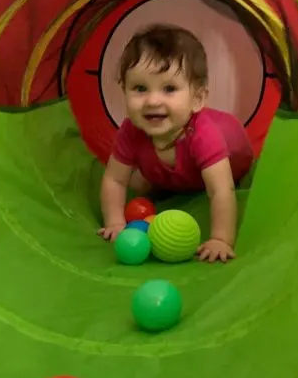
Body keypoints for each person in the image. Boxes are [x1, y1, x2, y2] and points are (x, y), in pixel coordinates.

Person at [98, 24, 254, 263]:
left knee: (212, 183)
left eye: (169, 88)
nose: (152, 100)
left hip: (229, 164)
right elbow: (114, 179)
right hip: (177, 172)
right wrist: (115, 223)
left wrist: (221, 239)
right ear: (124, 91)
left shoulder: (203, 134)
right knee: (137, 183)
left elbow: (221, 190)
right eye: (140, 88)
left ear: (197, 99)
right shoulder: (130, 131)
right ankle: (166, 181)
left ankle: (171, 181)